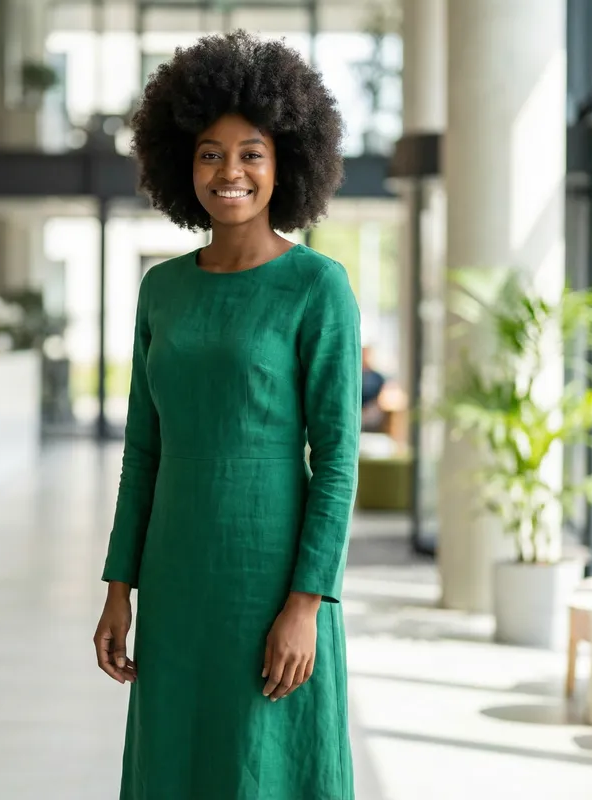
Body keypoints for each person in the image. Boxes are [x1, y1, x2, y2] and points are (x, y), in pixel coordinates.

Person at [93, 30, 361, 800]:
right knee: (176, 762)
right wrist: (119, 587)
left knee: (267, 766)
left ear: (286, 163)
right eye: (210, 152)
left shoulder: (319, 287)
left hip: (272, 579)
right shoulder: (162, 290)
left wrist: (306, 605)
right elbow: (143, 449)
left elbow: (337, 459)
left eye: (251, 152)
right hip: (177, 578)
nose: (230, 171)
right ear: (183, 163)